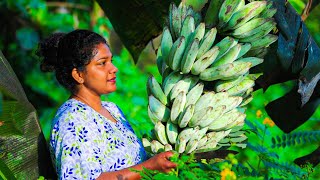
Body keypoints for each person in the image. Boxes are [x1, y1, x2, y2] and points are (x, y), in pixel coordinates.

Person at [37, 29, 176, 179]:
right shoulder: (71, 120)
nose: (113, 69)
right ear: (78, 75)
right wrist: (149, 166)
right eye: (102, 63)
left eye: (111, 61)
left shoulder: (112, 109)